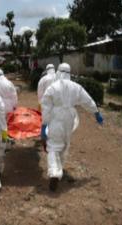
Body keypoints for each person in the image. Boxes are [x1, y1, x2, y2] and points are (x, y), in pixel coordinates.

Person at [40, 63, 104, 191]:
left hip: (56, 117)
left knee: (53, 146)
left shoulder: (52, 88)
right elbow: (87, 100)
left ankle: (54, 173)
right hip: (70, 118)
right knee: (65, 144)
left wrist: (44, 126)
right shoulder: (76, 87)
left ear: (58, 72)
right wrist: (96, 112)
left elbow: (46, 108)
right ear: (69, 73)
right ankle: (60, 170)